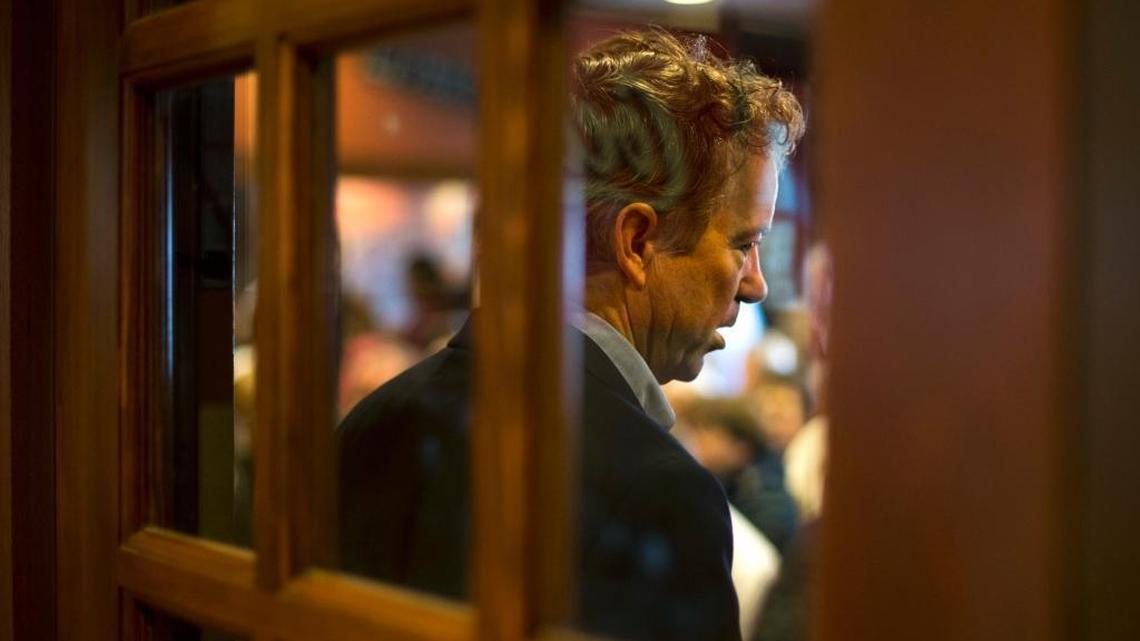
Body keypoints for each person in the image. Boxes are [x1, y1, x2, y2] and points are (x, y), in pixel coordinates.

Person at [338, 28, 804, 641]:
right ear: (636, 242)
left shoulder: (376, 421)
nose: (756, 285)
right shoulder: (660, 494)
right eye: (744, 243)